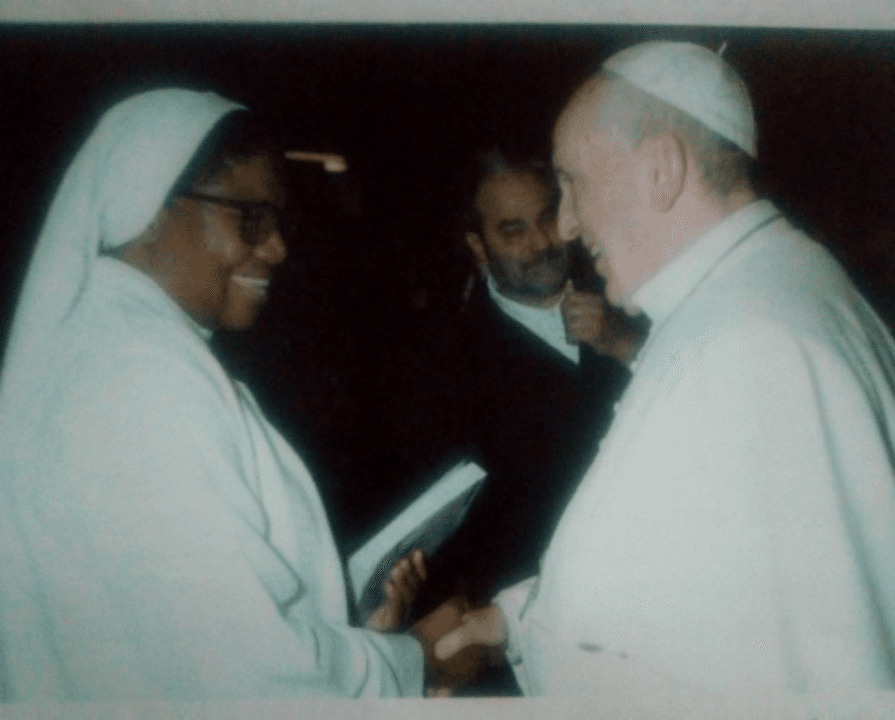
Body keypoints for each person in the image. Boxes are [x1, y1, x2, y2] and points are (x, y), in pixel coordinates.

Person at [434, 41, 895, 700]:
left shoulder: (736, 344)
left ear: (659, 169)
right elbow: (691, 568)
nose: (564, 225)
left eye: (573, 183)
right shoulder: (787, 276)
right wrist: (512, 619)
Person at [0, 88, 429, 701]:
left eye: (280, 222)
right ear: (149, 207)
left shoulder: (112, 348)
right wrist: (408, 662)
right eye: (250, 218)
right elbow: (247, 669)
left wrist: (361, 632)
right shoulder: (138, 380)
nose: (277, 248)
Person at [416, 149, 645, 617]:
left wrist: (628, 345)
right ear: (479, 248)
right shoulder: (448, 366)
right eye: (512, 231)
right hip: (550, 613)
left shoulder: (628, 288)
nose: (540, 242)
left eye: (546, 219)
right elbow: (454, 539)